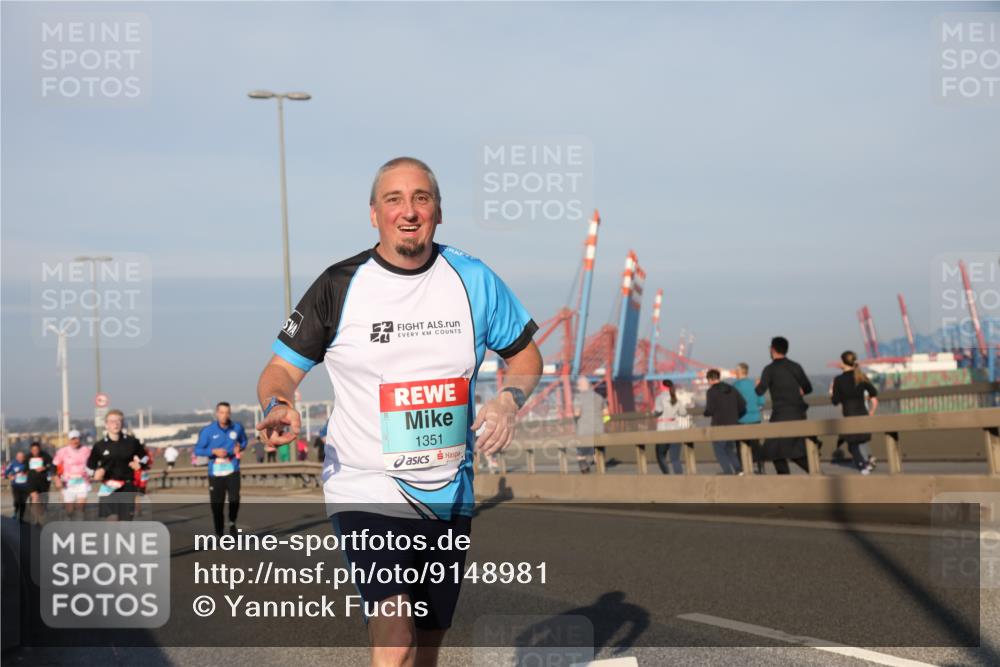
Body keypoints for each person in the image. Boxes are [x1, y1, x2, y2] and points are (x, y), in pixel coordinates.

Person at [255, 157, 542, 667]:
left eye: (421, 199)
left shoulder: (473, 279)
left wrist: (509, 398)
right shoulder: (339, 285)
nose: (408, 211)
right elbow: (280, 370)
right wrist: (280, 404)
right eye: (394, 200)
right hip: (366, 485)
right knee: (395, 631)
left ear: (437, 212)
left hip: (449, 491)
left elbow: (524, 356)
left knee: (427, 644)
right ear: (374, 214)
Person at [755, 336, 813, 474]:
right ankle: (816, 474)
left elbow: (759, 391)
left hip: (781, 414)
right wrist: (800, 391)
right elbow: (808, 388)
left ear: (773, 349)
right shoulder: (795, 366)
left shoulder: (769, 369)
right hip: (799, 413)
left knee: (773, 450)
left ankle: (786, 481)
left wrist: (757, 385)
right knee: (796, 449)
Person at [194, 402, 248, 537]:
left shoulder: (237, 428)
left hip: (232, 468)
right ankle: (219, 532)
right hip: (216, 472)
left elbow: (244, 441)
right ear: (217, 414)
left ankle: (232, 522)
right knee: (217, 505)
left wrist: (240, 447)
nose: (225, 415)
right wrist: (213, 451)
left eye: (227, 412)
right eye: (222, 412)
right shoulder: (208, 431)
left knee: (235, 498)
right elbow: (198, 449)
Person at [86, 410, 149, 521]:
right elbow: (89, 466)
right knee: (112, 520)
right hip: (108, 486)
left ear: (122, 423)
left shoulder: (132, 442)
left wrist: (140, 464)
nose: (116, 424)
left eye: (119, 421)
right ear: (106, 424)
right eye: (112, 421)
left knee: (126, 522)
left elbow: (145, 457)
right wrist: (95, 473)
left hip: (128, 486)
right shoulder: (99, 445)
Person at [831, 350, 880, 474]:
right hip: (862, 413)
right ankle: (866, 463)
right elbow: (874, 392)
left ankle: (862, 466)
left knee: (852, 443)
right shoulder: (860, 376)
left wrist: (832, 391)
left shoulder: (839, 380)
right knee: (861, 440)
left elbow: (835, 401)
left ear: (843, 362)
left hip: (850, 414)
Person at [703, 369, 746, 475]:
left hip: (718, 426)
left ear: (710, 379)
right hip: (733, 424)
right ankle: (739, 470)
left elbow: (710, 410)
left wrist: (706, 413)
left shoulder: (711, 391)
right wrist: (736, 417)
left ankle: (728, 473)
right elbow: (743, 404)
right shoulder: (732, 389)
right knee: (729, 449)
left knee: (719, 451)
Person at [732, 363, 767, 474]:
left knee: (740, 445)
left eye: (736, 371)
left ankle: (743, 468)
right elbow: (761, 402)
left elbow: (733, 404)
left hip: (741, 419)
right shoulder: (754, 384)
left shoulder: (735, 386)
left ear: (739, 372)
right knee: (755, 444)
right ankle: (759, 465)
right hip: (755, 418)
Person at [52, 429, 92, 518]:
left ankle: (78, 527)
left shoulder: (86, 450)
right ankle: (68, 519)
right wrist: (56, 479)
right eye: (72, 439)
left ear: (80, 439)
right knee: (69, 510)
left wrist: (92, 473)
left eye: (77, 439)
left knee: (80, 508)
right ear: (69, 440)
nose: (75, 441)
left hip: (83, 482)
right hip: (68, 483)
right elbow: (54, 466)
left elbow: (92, 464)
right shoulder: (62, 451)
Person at [653, 379, 687, 474]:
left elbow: (658, 411)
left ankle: (667, 475)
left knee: (660, 455)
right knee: (675, 458)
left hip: (663, 430)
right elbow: (683, 413)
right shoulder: (676, 398)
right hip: (676, 429)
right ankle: (680, 478)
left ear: (663, 386)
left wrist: (653, 413)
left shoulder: (660, 398)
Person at [574, 376, 607, 474]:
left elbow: (577, 413)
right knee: (598, 452)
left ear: (580, 386)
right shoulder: (599, 397)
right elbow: (606, 413)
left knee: (581, 454)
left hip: (584, 430)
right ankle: (601, 472)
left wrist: (575, 419)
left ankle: (585, 470)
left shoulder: (578, 397)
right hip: (599, 429)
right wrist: (601, 422)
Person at [25, 441, 53, 522]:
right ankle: (36, 519)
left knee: (42, 501)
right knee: (35, 497)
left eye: (36, 449)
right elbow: (25, 468)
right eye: (33, 450)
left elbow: (51, 464)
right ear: (31, 450)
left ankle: (40, 513)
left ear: (39, 449)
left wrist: (44, 467)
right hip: (32, 480)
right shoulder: (27, 457)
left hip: (43, 481)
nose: (35, 451)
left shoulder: (45, 455)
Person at [4, 451, 30, 521]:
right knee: (17, 500)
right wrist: (10, 476)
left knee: (23, 501)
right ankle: (15, 512)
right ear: (16, 457)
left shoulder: (27, 463)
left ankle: (21, 517)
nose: (21, 459)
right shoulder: (12, 463)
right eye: (19, 457)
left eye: (22, 457)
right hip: (16, 486)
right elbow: (6, 473)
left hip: (25, 486)